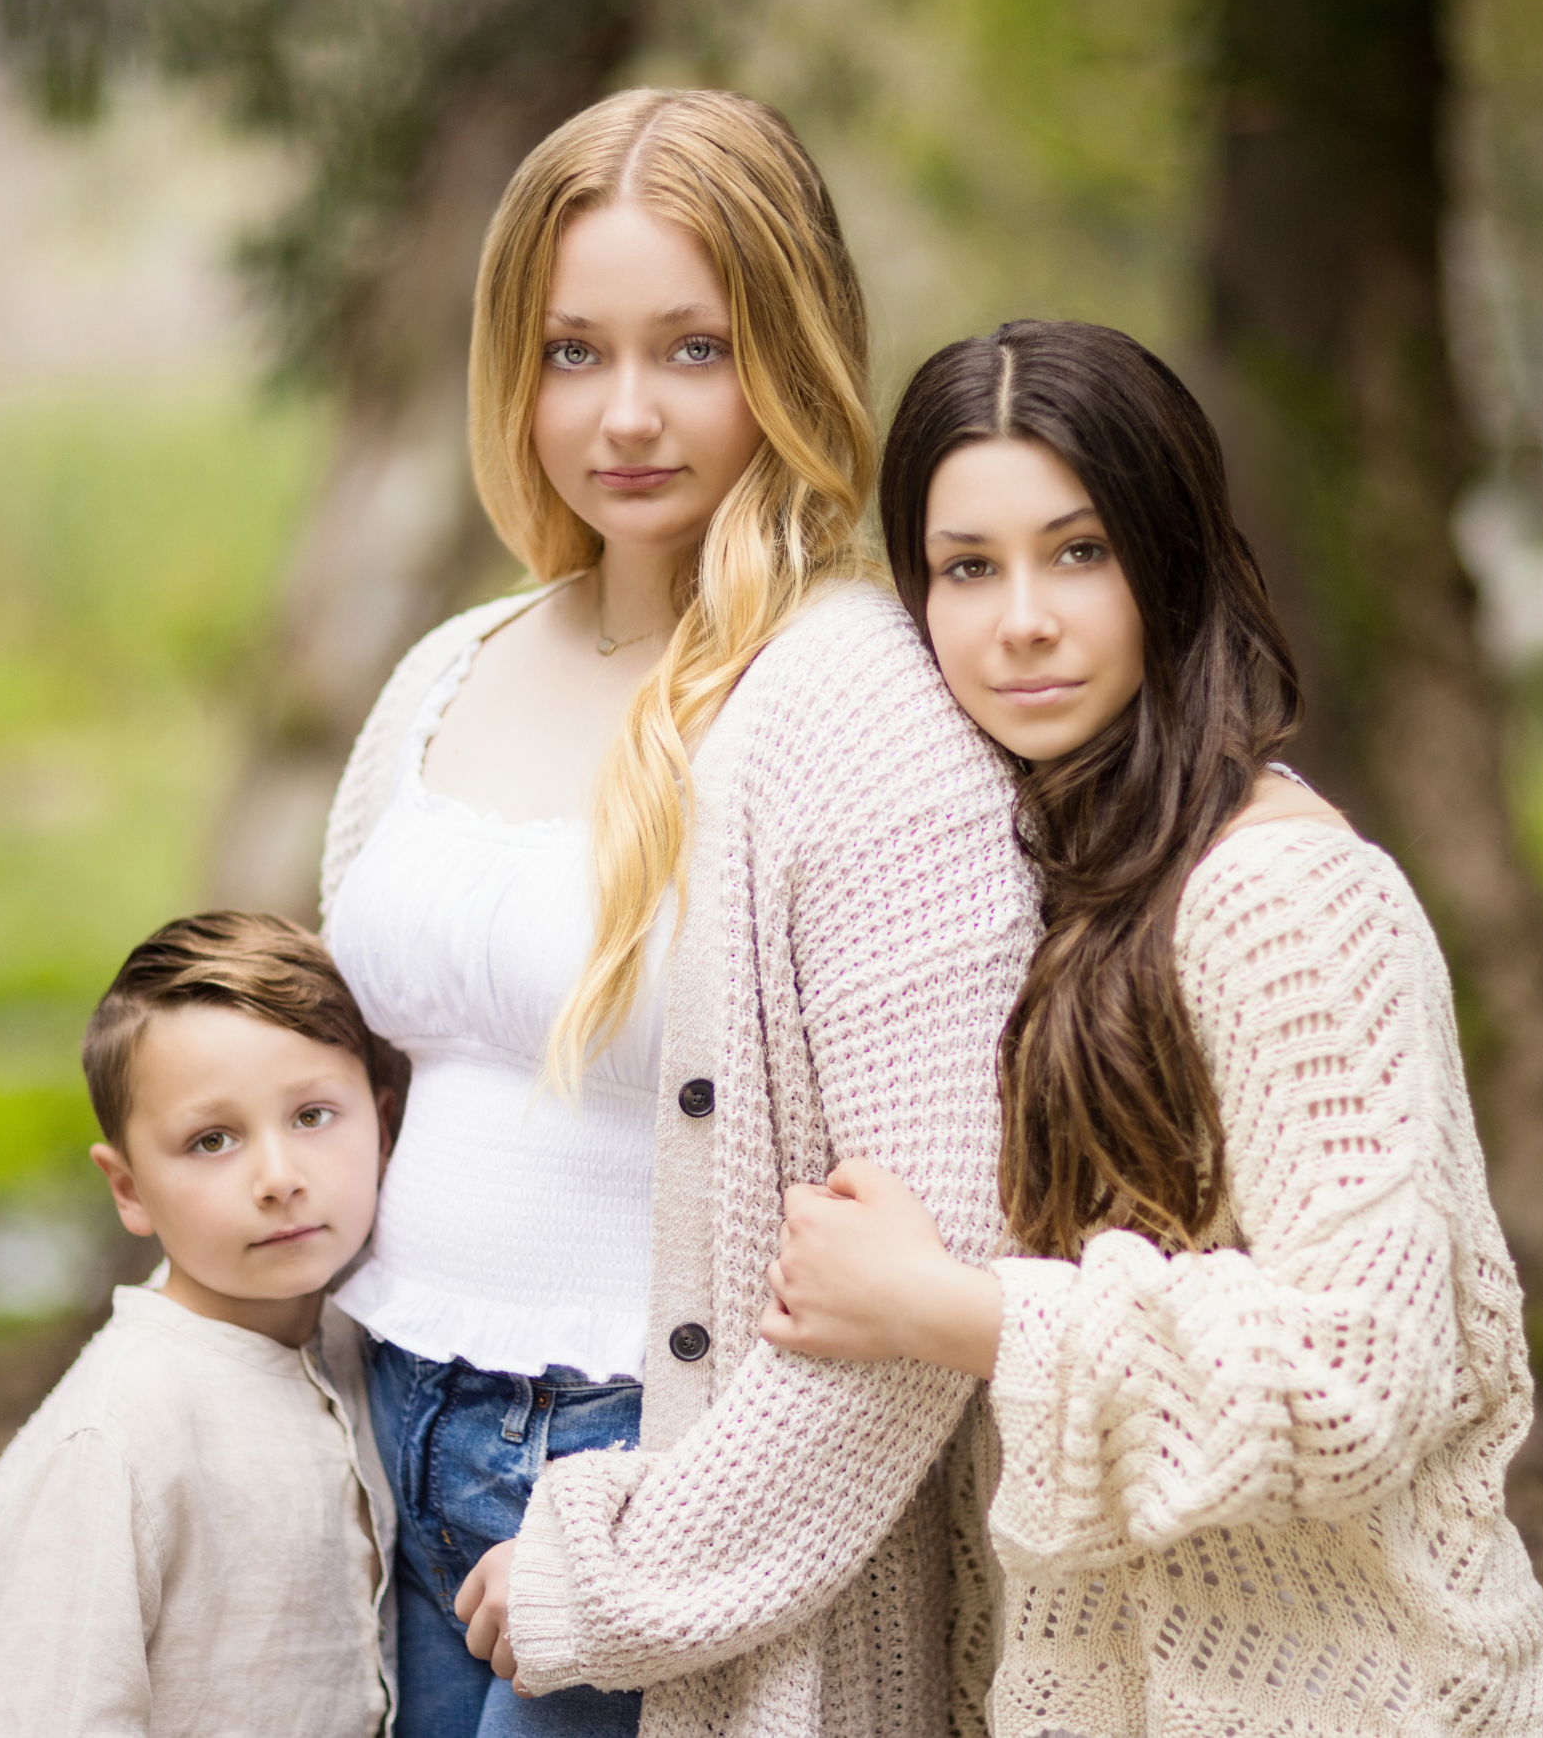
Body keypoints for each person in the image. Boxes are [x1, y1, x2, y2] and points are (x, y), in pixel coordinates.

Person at [317, 88, 1035, 1738]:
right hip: (394, 1439)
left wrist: (650, 1549)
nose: (625, 413)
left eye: (692, 350)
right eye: (575, 351)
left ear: (788, 351)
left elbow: (940, 1252)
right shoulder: (450, 668)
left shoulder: (859, 705)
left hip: (654, 1478)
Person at [760, 320, 1543, 1737]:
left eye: (1079, 552)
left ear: (1170, 558)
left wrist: (952, 1308)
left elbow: (1358, 1368)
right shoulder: (1045, 879)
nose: (1022, 618)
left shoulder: (1279, 893)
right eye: (968, 567)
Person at [0, 912, 401, 1738]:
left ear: (385, 1124)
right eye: (212, 1140)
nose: (278, 1178)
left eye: (313, 1116)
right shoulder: (114, 1440)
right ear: (128, 1189)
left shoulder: (368, 1346)